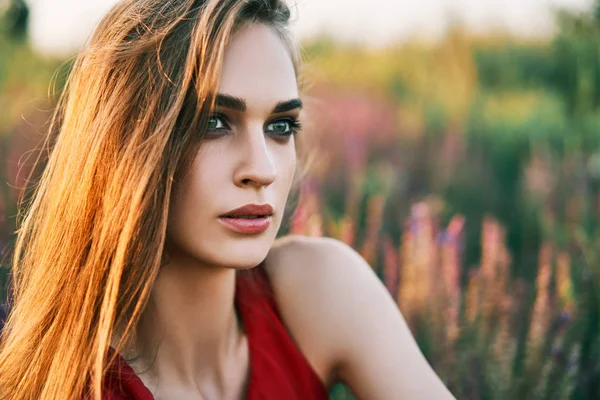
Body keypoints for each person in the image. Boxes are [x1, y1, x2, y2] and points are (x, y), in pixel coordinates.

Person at [0, 0, 457, 399]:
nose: (262, 169)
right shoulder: (67, 385)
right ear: (126, 144)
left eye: (280, 127)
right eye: (213, 122)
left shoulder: (319, 292)